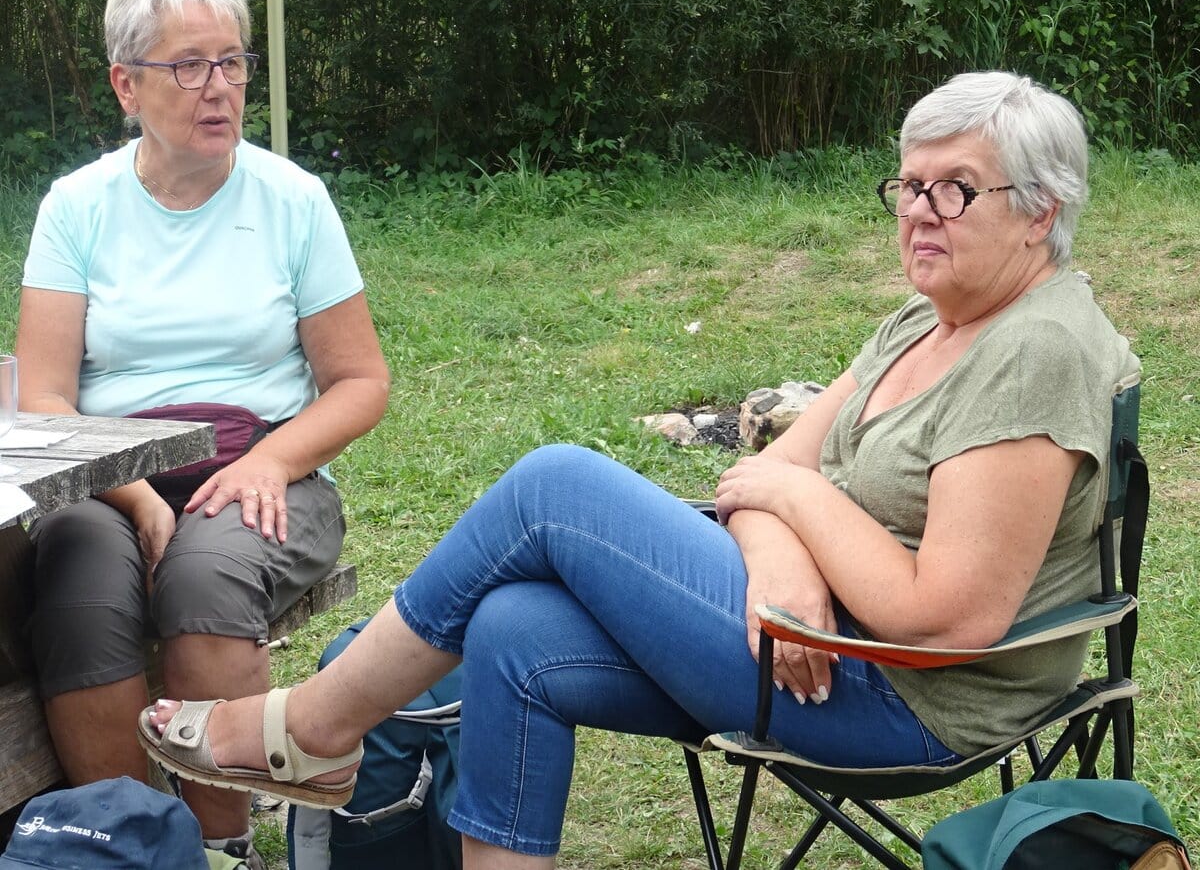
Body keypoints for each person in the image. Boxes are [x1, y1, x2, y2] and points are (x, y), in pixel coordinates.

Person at [140, 71, 1138, 870]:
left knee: (554, 486)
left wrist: (790, 498)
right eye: (908, 186)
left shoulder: (1034, 349)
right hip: (803, 635)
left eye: (953, 188)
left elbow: (947, 616)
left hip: (901, 697)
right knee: (511, 628)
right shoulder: (926, 319)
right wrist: (782, 557)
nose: (919, 210)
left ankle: (321, 724)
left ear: (1039, 211)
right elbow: (760, 472)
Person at [14, 0, 391, 869]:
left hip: (260, 466)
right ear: (127, 84)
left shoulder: (292, 200)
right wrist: (137, 496)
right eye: (189, 65)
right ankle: (135, 844)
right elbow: (44, 397)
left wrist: (271, 462)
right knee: (77, 584)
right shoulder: (77, 207)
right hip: (107, 474)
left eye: (233, 62)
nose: (219, 87)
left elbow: (360, 380)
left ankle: (225, 849)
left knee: (205, 574)